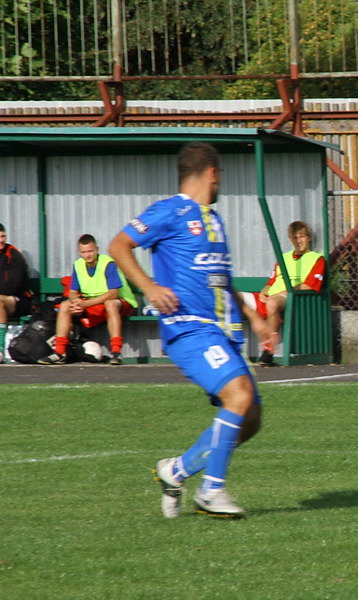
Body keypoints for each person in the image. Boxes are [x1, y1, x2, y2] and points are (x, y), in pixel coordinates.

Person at [109, 142, 275, 518]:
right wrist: (148, 287)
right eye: (221, 176)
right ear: (212, 173)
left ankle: (176, 470)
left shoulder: (214, 220)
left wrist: (254, 317)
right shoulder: (171, 210)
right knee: (239, 396)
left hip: (223, 332)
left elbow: (221, 278)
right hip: (190, 329)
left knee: (249, 421)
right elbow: (119, 246)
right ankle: (211, 491)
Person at [38, 234, 137, 365]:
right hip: (92, 302)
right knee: (65, 306)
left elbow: (113, 293)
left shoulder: (108, 263)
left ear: (97, 249)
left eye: (90, 251)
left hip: (120, 301)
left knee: (110, 304)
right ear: (79, 252)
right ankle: (60, 352)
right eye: (84, 252)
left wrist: (85, 303)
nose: (88, 255)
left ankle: (116, 352)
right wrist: (76, 302)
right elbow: (73, 292)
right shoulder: (78, 265)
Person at [253, 220, 325, 366]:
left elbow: (310, 285)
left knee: (272, 303)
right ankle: (233, 349)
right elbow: (271, 281)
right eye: (295, 238)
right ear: (290, 240)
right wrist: (264, 290)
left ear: (309, 237)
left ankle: (268, 350)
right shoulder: (284, 258)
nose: (298, 241)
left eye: (302, 237)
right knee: (233, 298)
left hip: (292, 298)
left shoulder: (317, 259)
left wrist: (285, 291)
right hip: (271, 296)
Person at [0, 223, 33, 364]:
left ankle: (0, 348)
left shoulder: (13, 255)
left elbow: (12, 287)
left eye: (3, 236)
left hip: (20, 300)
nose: (1, 240)